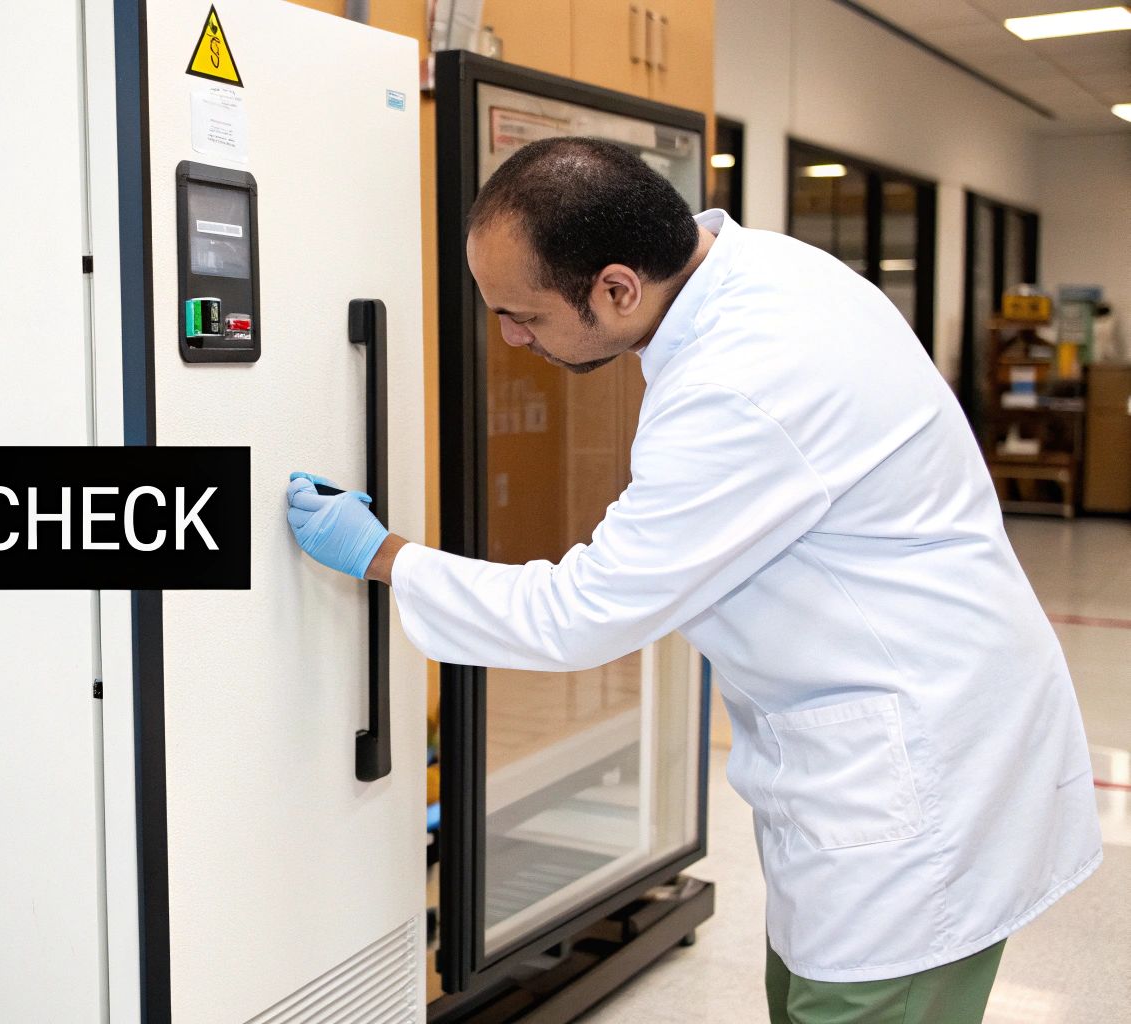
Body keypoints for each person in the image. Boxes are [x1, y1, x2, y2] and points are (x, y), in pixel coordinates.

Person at [285, 136, 1101, 1024]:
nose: (511, 337)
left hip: (918, 784)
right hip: (874, 742)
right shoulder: (763, 270)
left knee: (857, 998)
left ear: (617, 288)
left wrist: (382, 554)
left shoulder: (744, 384)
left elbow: (584, 613)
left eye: (524, 314)